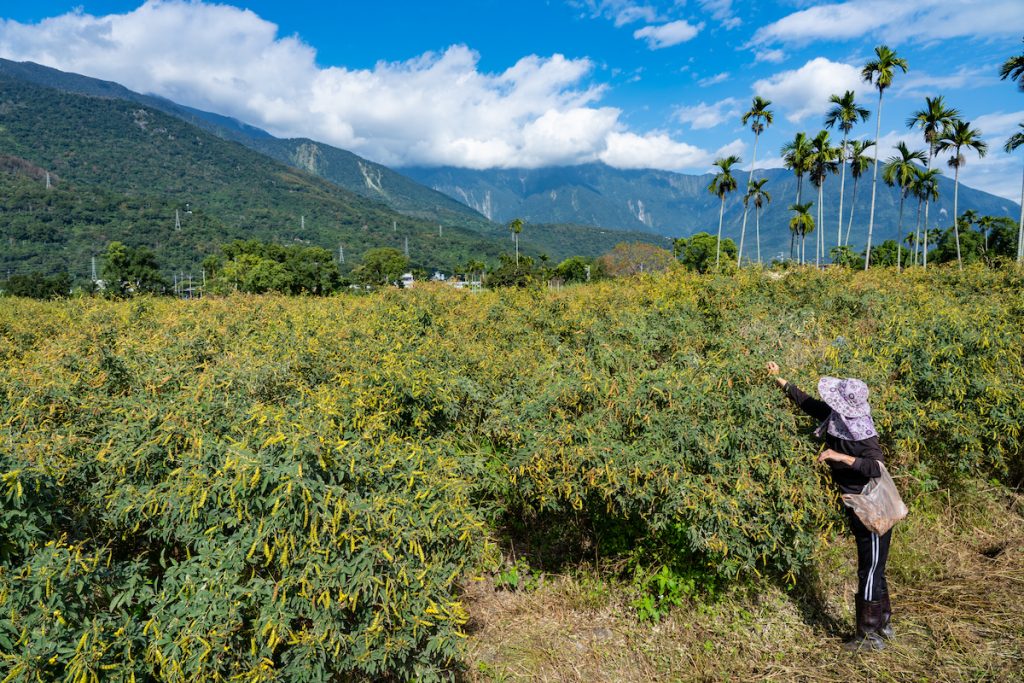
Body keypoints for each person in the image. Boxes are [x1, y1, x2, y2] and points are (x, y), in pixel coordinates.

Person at [766, 361, 893, 652]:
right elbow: (808, 404)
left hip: (873, 506)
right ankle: (882, 626)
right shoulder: (838, 420)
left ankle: (868, 636)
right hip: (857, 504)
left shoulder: (864, 435)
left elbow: (877, 466)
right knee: (874, 567)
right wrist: (779, 379)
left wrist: (840, 456)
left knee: (871, 569)